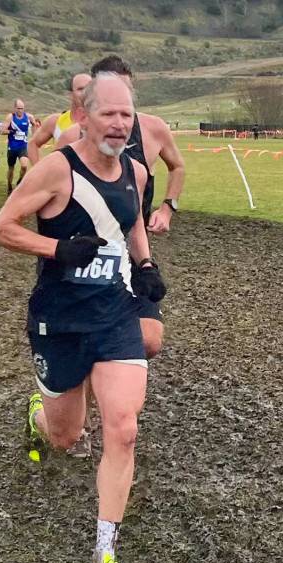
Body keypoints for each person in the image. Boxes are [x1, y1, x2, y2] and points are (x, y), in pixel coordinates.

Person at [0, 73, 165, 563]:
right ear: (84, 116)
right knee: (66, 436)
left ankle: (104, 556)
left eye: (126, 114)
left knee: (124, 428)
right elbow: (3, 226)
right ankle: (39, 418)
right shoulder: (56, 169)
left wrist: (146, 264)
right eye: (109, 113)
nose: (119, 123)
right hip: (60, 320)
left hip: (115, 316)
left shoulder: (135, 170)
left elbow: (132, 222)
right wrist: (56, 250)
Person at [56, 55, 185, 361]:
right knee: (81, 345)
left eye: (124, 95)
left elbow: (177, 167)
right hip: (84, 253)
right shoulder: (71, 140)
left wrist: (167, 208)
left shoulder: (153, 129)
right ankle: (60, 402)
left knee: (150, 341)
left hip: (131, 247)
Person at [27, 73, 91, 165]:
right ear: (71, 94)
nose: (85, 93)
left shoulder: (100, 122)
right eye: (80, 89)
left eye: (89, 89)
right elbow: (32, 144)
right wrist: (41, 173)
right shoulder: (55, 121)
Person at [2, 99, 37, 193]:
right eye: (18, 108)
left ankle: (19, 182)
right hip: (12, 147)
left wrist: (34, 136)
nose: (20, 110)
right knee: (11, 168)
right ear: (15, 108)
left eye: (22, 108)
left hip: (23, 146)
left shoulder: (29, 117)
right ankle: (9, 185)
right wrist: (11, 131)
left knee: (24, 166)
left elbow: (34, 125)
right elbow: (3, 131)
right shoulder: (10, 117)